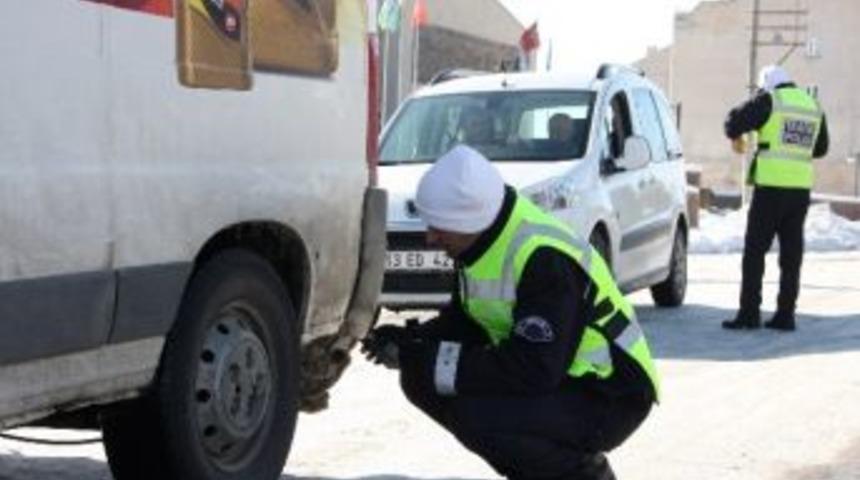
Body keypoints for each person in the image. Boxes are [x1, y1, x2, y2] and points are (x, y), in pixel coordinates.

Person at [361, 145, 659, 480]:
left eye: (439, 227)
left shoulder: (544, 259)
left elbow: (533, 369)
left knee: (476, 414)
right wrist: (411, 340)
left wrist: (431, 360)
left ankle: (586, 474)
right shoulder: (480, 239)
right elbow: (469, 322)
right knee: (421, 380)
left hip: (610, 393)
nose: (430, 238)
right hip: (558, 374)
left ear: (469, 222)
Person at [722, 65, 829, 332]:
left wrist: (741, 130)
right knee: (791, 256)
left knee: (754, 252)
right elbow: (821, 148)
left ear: (767, 85)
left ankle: (749, 314)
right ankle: (785, 315)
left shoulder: (770, 100)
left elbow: (733, 122)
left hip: (770, 189)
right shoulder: (813, 106)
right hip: (799, 191)